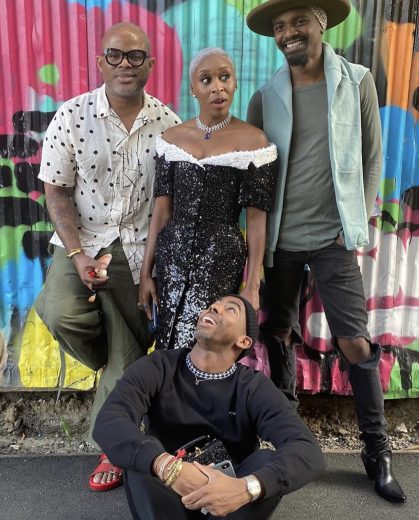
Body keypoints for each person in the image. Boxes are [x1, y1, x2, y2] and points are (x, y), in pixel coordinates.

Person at [245, 0, 406, 503]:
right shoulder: (265, 96)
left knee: (354, 342)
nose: (288, 33)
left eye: (298, 22)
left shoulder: (356, 81)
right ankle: (290, 441)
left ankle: (377, 452)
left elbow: (373, 157)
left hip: (333, 239)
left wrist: (353, 225)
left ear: (320, 24)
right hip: (281, 240)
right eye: (279, 27)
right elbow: (255, 173)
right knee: (278, 333)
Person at [35, 22, 180, 491]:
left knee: (127, 341)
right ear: (100, 61)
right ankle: (113, 362)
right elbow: (56, 191)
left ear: (150, 65)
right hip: (83, 239)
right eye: (115, 55)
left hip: (139, 246)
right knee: (59, 311)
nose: (124, 64)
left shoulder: (168, 124)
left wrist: (152, 266)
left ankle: (112, 443)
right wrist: (78, 255)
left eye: (135, 56)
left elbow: (169, 204)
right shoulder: (71, 115)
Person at [93, 294, 326, 519]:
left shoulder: (253, 387)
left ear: (244, 341)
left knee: (265, 461)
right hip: (167, 492)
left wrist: (246, 488)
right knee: (142, 458)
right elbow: (110, 420)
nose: (214, 307)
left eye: (230, 309)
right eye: (214, 304)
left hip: (228, 503)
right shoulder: (159, 366)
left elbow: (307, 450)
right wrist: (166, 466)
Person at [139, 48, 277, 350]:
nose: (218, 87)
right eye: (206, 80)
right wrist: (146, 273)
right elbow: (161, 212)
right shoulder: (171, 139)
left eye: (225, 77)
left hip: (221, 259)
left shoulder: (254, 142)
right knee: (167, 339)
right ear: (193, 89)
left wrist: (252, 285)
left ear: (235, 83)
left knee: (207, 341)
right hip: (171, 257)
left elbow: (256, 221)